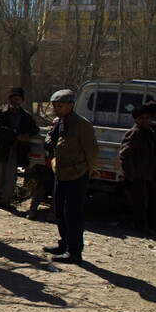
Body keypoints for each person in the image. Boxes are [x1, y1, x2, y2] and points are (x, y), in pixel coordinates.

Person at [42, 89, 99, 264]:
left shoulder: (82, 125)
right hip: (60, 174)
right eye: (55, 105)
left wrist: (86, 172)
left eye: (60, 105)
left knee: (72, 214)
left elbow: (92, 152)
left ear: (71, 105)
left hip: (76, 175)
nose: (56, 108)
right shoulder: (60, 123)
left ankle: (74, 251)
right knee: (60, 212)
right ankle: (64, 244)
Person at [0, 86, 39, 209]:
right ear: (9, 99)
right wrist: (17, 136)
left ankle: (5, 201)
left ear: (21, 100)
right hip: (1, 148)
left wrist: (27, 134)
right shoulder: (0, 113)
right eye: (14, 98)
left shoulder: (26, 116)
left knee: (11, 177)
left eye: (18, 99)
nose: (16, 101)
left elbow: (35, 128)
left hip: (16, 150)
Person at [119, 105, 156, 233]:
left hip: (148, 173)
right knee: (140, 202)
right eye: (142, 118)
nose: (145, 120)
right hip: (137, 174)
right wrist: (129, 173)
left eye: (148, 118)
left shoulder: (150, 132)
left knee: (155, 198)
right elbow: (125, 153)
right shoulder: (135, 133)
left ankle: (152, 225)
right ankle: (140, 226)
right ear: (136, 120)